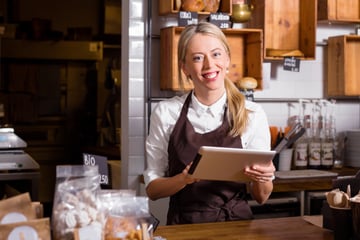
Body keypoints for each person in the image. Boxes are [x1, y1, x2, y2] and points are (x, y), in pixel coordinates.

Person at [143, 21, 275, 225]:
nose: (209, 65)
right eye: (197, 58)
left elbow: (262, 196)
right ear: (185, 67)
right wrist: (183, 179)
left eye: (216, 54)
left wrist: (263, 177)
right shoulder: (166, 113)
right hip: (183, 228)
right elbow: (153, 190)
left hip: (236, 227)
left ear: (228, 59)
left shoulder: (252, 114)